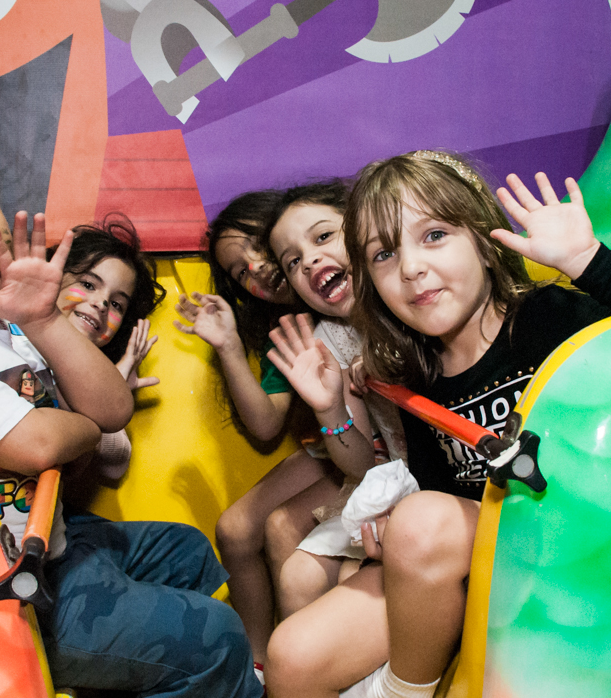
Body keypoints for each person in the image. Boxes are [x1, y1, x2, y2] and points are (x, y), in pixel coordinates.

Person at [0, 137, 261, 698]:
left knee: (185, 549)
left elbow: (112, 410)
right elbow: (39, 445)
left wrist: (42, 319)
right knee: (216, 636)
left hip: (53, 542)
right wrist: (83, 429)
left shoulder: (6, 319)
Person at [264, 150, 611, 698]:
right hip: (482, 551)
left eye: (433, 236)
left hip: (572, 537)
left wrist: (588, 260)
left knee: (422, 521)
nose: (410, 268)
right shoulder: (416, 373)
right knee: (290, 658)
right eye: (385, 255)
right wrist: (396, 532)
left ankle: (402, 692)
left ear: (484, 241)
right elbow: (437, 491)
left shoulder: (545, 317)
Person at [174, 190, 341, 678]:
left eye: (257, 247)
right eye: (240, 273)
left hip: (372, 447)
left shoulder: (342, 286)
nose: (256, 269)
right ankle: (257, 663)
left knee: (281, 526)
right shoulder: (287, 327)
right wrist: (227, 345)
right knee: (233, 528)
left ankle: (299, 666)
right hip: (331, 446)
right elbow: (267, 425)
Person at [263, 181, 407, 617]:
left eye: (322, 237)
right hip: (393, 479)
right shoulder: (332, 338)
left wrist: (384, 365)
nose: (308, 260)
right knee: (297, 577)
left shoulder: (412, 294)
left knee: (350, 580)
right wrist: (329, 408)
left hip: (443, 484)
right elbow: (361, 466)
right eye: (292, 262)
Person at [53, 216, 165, 483]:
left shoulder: (100, 372)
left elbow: (116, 464)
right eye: (89, 285)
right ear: (53, 277)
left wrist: (113, 386)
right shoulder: (14, 335)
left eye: (117, 304)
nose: (102, 303)